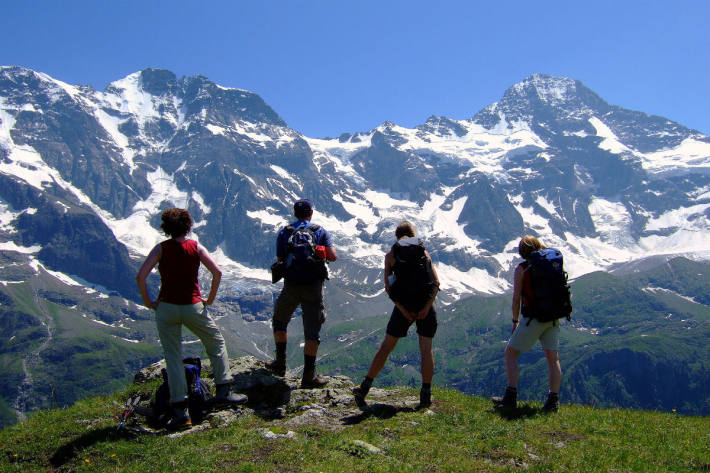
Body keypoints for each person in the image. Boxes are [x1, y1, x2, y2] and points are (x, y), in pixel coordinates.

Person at [136, 208, 245, 430]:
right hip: (193, 305)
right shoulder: (195, 247)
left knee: (173, 355)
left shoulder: (160, 249)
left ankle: (180, 411)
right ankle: (224, 389)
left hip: (166, 307)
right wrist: (210, 299)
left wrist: (149, 302)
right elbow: (217, 272)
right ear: (189, 226)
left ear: (166, 227)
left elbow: (141, 276)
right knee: (215, 342)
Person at [353, 221, 440, 408]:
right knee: (426, 350)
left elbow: (389, 288)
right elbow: (436, 283)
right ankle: (425, 395)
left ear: (397, 236)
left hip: (404, 307)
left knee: (386, 347)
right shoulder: (424, 253)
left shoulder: (391, 256)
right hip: (425, 305)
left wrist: (403, 310)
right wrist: (426, 307)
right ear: (414, 234)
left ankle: (365, 387)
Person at [266, 199, 337, 388]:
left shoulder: (285, 231)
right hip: (313, 287)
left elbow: (280, 258)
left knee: (280, 321)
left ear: (295, 213)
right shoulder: (319, 231)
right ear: (311, 213)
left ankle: (280, 363)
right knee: (312, 332)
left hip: (291, 285)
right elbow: (332, 256)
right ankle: (309, 376)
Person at [493, 235, 562, 412]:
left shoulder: (522, 269)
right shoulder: (552, 263)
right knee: (553, 359)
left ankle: (511, 396)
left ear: (522, 252)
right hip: (553, 317)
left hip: (534, 318)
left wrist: (515, 320)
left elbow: (517, 298)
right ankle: (553, 401)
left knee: (510, 353)